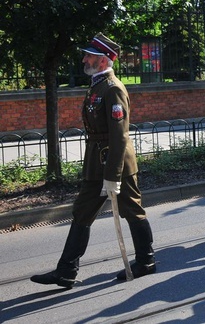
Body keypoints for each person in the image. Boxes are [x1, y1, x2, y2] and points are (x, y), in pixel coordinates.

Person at [31, 33, 155, 288]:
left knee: (133, 211)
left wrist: (112, 175)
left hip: (116, 163)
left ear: (102, 60)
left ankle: (146, 261)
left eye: (89, 55)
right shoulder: (98, 85)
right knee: (82, 212)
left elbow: (119, 136)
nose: (84, 58)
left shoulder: (113, 88)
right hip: (96, 162)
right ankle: (66, 271)